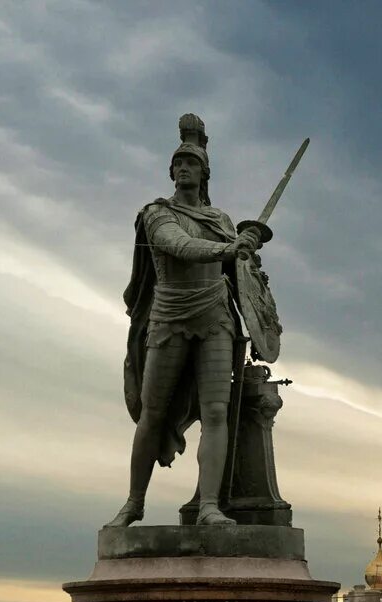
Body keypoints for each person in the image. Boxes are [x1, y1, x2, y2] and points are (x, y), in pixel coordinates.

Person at [107, 113, 264, 528]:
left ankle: (210, 505)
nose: (182, 169)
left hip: (215, 318)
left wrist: (247, 248)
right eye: (177, 164)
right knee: (152, 414)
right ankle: (134, 502)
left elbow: (243, 277)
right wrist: (227, 251)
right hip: (170, 319)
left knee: (216, 413)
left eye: (190, 163)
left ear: (203, 173)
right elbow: (179, 246)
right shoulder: (157, 214)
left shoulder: (222, 221)